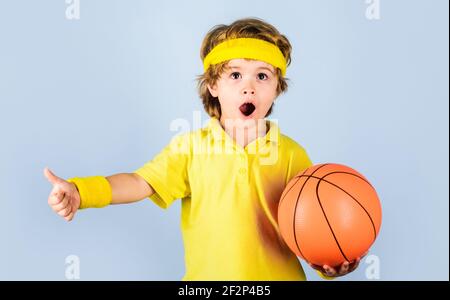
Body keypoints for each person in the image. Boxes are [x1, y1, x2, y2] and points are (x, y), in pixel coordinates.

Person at [44, 18, 362, 280]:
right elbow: (140, 182)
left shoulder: (292, 154)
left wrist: (328, 262)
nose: (248, 85)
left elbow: (313, 222)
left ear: (277, 89)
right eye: (235, 74)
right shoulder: (190, 148)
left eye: (262, 76)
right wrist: (80, 191)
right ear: (213, 86)